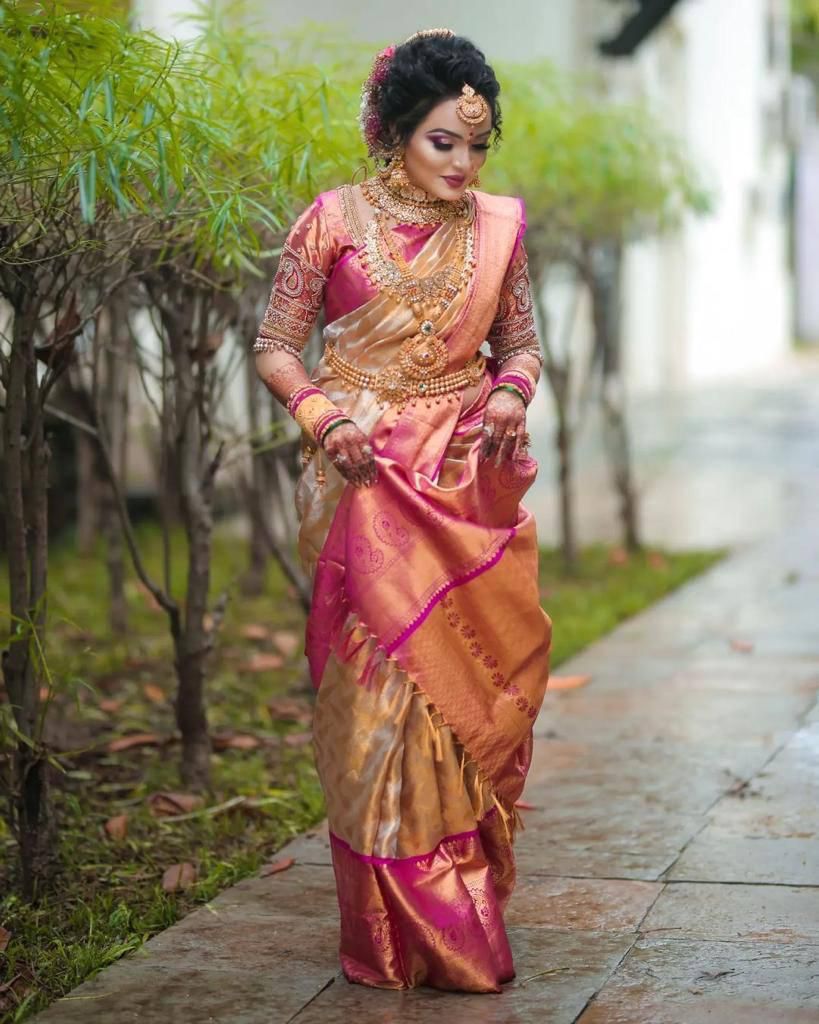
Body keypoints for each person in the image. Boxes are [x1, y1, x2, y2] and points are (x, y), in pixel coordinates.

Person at [254, 28, 552, 994]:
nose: (464, 165)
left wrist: (509, 394)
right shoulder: (331, 221)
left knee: (458, 696)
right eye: (442, 143)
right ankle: (386, 931)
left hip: (463, 482)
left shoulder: (497, 229)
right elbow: (274, 344)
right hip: (365, 478)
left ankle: (459, 910)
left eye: (476, 145)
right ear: (391, 136)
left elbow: (521, 348)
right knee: (376, 703)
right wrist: (320, 413)